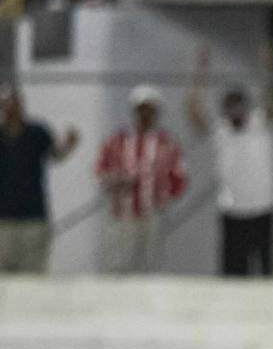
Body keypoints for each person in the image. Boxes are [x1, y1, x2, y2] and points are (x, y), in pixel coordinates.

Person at [188, 48, 273, 277]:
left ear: (246, 106)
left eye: (238, 104)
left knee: (266, 272)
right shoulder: (221, 130)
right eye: (230, 105)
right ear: (224, 109)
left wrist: (269, 69)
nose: (235, 110)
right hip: (232, 211)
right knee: (233, 275)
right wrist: (200, 73)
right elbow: (193, 111)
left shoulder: (261, 123)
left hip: (262, 208)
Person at [95, 84, 187, 274]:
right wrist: (116, 181)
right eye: (141, 109)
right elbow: (101, 170)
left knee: (151, 266)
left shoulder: (167, 143)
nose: (145, 114)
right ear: (134, 111)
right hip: (122, 214)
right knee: (119, 264)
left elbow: (179, 177)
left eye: (150, 110)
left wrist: (161, 193)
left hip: (153, 215)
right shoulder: (117, 140)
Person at [0, 84, 77, 272]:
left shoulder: (37, 132)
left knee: (34, 270)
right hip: (4, 217)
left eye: (14, 103)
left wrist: (68, 145)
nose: (10, 108)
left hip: (34, 215)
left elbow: (55, 155)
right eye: (6, 104)